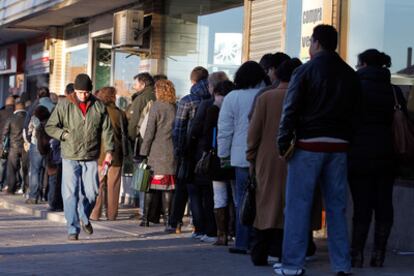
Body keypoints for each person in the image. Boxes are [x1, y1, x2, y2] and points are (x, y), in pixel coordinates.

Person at [276, 25, 361, 276]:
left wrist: (283, 143)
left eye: (311, 42)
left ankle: (292, 264)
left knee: (298, 206)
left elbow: (290, 110)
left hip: (308, 146)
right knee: (337, 208)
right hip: (339, 146)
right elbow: (358, 114)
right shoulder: (350, 74)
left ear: (316, 43)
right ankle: (342, 265)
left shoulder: (304, 71)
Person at [348, 49, 406, 268]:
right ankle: (379, 254)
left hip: (359, 155)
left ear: (363, 64)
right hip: (387, 155)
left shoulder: (354, 88)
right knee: (384, 203)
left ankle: (357, 254)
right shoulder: (393, 91)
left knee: (362, 205)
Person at [45, 73, 114, 240]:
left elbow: (107, 130)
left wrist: (109, 152)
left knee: (92, 193)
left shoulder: (99, 106)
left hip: (91, 156)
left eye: (86, 92)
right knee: (70, 194)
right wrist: (64, 135)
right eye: (80, 92)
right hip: (69, 156)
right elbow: (50, 126)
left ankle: (84, 216)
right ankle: (72, 229)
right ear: (75, 91)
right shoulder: (64, 105)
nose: (83, 95)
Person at [217, 60, 268, 254]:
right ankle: (260, 241)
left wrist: (223, 154)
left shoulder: (232, 97)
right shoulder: (265, 94)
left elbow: (225, 129)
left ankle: (243, 241)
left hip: (240, 157)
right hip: (263, 157)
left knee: (243, 201)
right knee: (264, 200)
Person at [171, 66, 211, 235]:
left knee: (190, 189)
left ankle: (184, 224)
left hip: (190, 151)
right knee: (208, 191)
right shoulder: (214, 98)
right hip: (209, 150)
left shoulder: (187, 100)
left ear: (192, 81)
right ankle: (205, 226)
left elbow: (179, 128)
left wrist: (179, 150)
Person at [139, 80, 177, 229]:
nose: (154, 92)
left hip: (155, 152)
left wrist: (143, 152)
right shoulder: (175, 107)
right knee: (168, 187)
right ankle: (168, 220)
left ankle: (146, 218)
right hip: (170, 152)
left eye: (156, 90)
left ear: (159, 91)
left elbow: (149, 132)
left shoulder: (156, 107)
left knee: (150, 187)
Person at [202, 80, 236, 245]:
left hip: (218, 158)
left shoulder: (213, 110)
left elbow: (207, 135)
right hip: (236, 156)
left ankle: (221, 234)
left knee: (220, 197)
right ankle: (234, 231)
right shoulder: (235, 108)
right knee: (236, 197)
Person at [90, 87, 127, 221]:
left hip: (100, 153)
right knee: (114, 185)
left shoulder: (98, 111)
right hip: (116, 154)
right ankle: (112, 214)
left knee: (99, 184)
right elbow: (125, 133)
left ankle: (95, 213)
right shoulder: (120, 113)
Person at [25, 87, 56, 204]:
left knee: (35, 170)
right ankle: (49, 197)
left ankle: (34, 196)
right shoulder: (54, 106)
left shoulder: (34, 107)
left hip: (36, 142)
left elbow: (28, 124)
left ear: (38, 96)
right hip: (51, 142)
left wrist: (30, 139)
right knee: (51, 171)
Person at [249, 52, 291, 120]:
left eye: (269, 69)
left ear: (273, 69)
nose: (268, 74)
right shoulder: (299, 91)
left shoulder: (264, 93)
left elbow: (252, 118)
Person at [127, 72, 155, 157]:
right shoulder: (156, 95)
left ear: (143, 85)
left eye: (136, 84)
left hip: (141, 139)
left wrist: (130, 138)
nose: (134, 87)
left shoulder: (141, 98)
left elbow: (134, 121)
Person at [2, 102, 27, 194]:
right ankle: (26, 189)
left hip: (13, 147)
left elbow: (5, 132)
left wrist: (4, 145)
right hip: (25, 147)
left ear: (15, 109)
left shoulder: (11, 118)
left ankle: (11, 189)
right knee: (25, 168)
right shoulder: (28, 117)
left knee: (12, 169)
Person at [0, 96, 15, 191]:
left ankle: (1, 184)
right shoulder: (14, 113)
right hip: (13, 143)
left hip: (2, 143)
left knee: (2, 163)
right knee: (11, 165)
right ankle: (8, 184)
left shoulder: (1, 112)